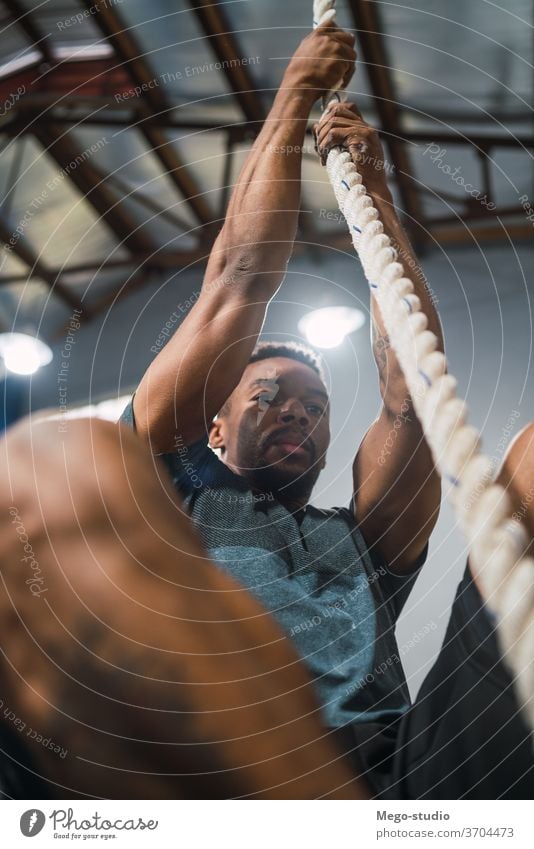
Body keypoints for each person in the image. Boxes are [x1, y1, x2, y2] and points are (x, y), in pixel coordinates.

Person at [0, 23, 531, 800]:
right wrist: (293, 98)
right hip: (195, 777)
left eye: (316, 408)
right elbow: (238, 281)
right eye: (270, 395)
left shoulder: (363, 544)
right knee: (43, 464)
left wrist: (375, 195)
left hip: (398, 783)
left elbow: (411, 391)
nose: (299, 414)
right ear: (212, 425)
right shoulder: (166, 497)